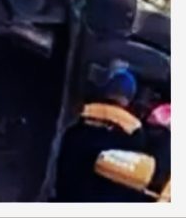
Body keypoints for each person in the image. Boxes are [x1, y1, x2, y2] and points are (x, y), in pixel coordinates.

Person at [54, 66, 146, 201]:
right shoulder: (133, 129)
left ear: (106, 91)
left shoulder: (80, 115)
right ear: (130, 98)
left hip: (68, 195)